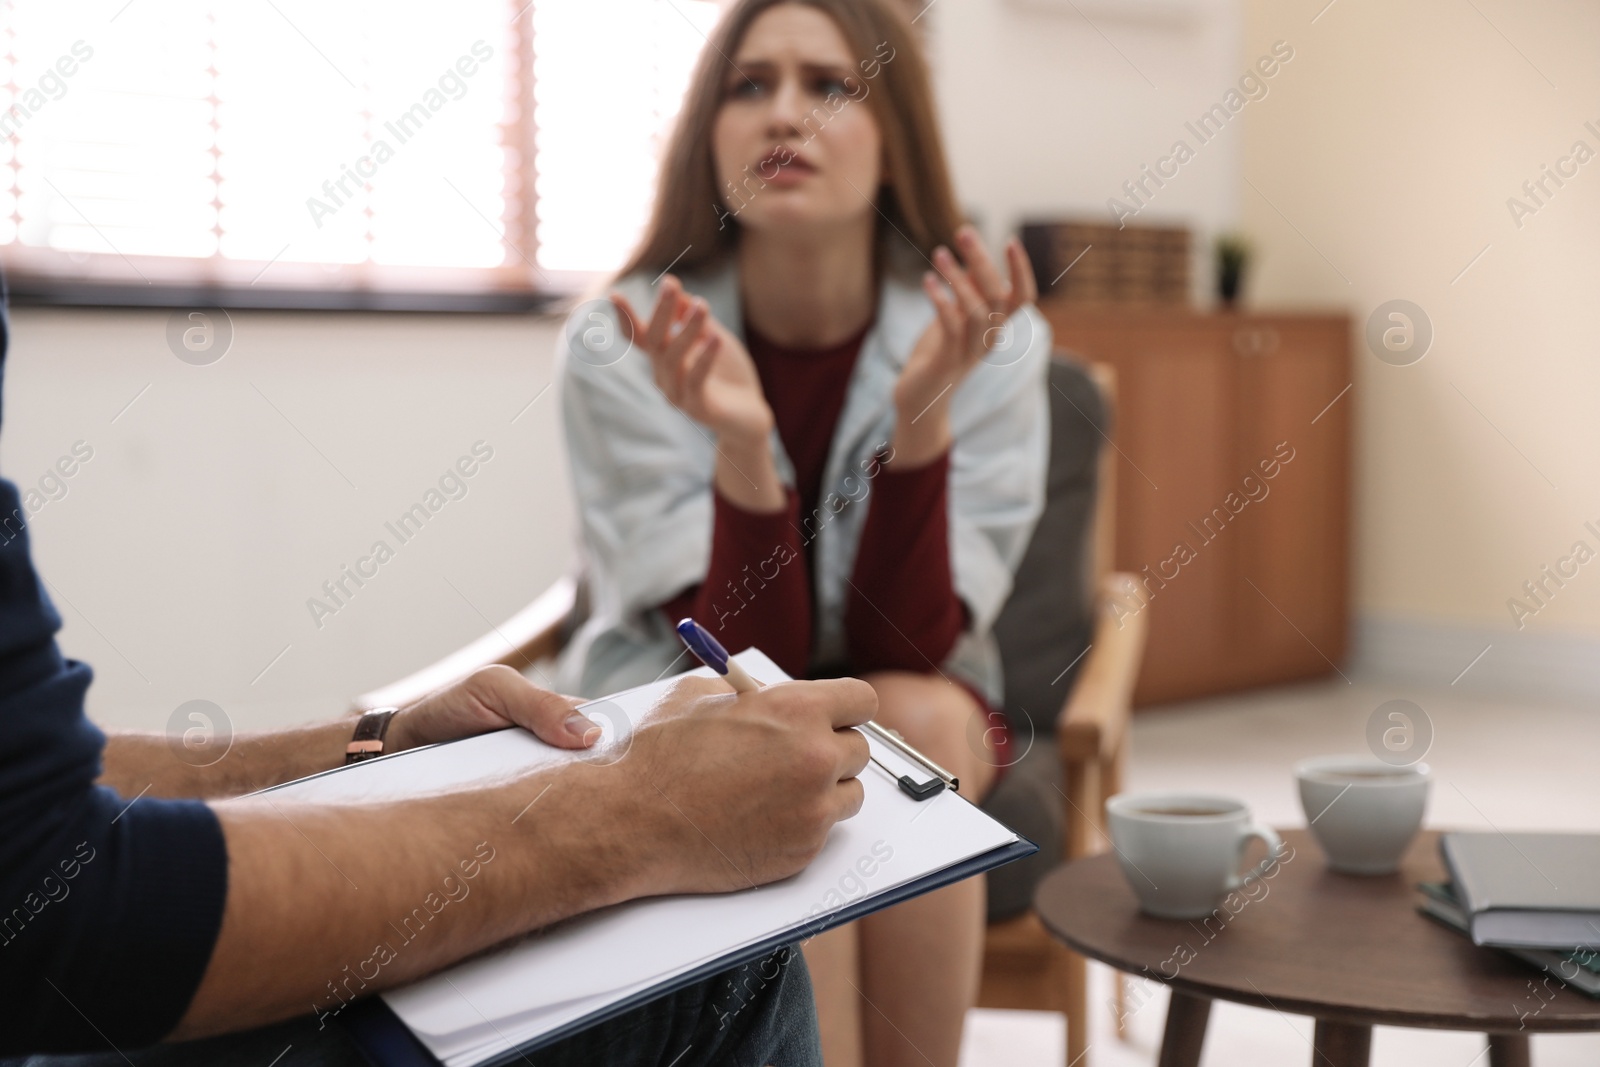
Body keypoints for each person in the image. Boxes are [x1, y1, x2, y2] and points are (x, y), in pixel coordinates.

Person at [0, 259, 877, 1066]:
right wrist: (642, 815)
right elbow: (49, 907)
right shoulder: (632, 325)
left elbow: (34, 788)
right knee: (729, 973)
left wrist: (378, 743)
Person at [553, 1, 1050, 1063]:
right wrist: (740, 445)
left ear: (893, 132)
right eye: (750, 84)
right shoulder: (624, 339)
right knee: (770, 737)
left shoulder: (992, 345)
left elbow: (909, 645)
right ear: (710, 130)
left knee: (908, 719)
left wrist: (921, 424)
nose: (785, 113)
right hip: (682, 681)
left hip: (916, 687)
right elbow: (734, 654)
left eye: (828, 85)